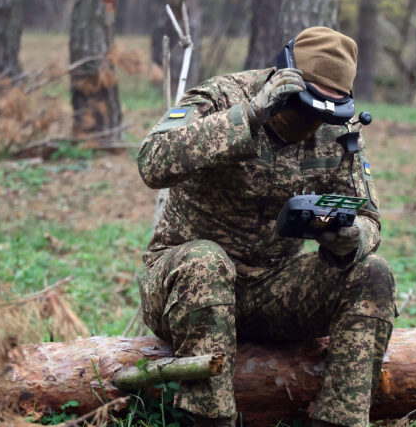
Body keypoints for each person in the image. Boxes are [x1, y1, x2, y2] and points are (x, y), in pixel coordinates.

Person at [136, 27, 396, 427]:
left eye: (327, 111)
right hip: (184, 284)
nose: (314, 121)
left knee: (374, 272)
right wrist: (250, 115)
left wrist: (352, 237)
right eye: (308, 105)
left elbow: (368, 216)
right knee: (206, 261)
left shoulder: (339, 133)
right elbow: (152, 160)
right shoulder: (223, 96)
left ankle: (338, 419)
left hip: (274, 287)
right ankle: (210, 419)